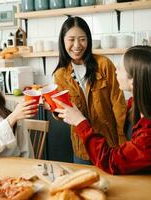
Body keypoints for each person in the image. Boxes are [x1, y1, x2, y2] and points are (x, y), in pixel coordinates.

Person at [54, 45, 151, 175]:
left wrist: (80, 122)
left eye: (120, 67)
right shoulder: (138, 105)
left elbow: (110, 161)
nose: (115, 70)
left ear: (133, 81)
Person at [52, 16, 127, 165]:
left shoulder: (104, 64)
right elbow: (65, 113)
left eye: (82, 39)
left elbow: (119, 105)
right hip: (82, 148)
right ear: (63, 41)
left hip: (109, 144)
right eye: (71, 39)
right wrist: (54, 109)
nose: (77, 45)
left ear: (88, 40)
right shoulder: (60, 75)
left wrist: (122, 141)